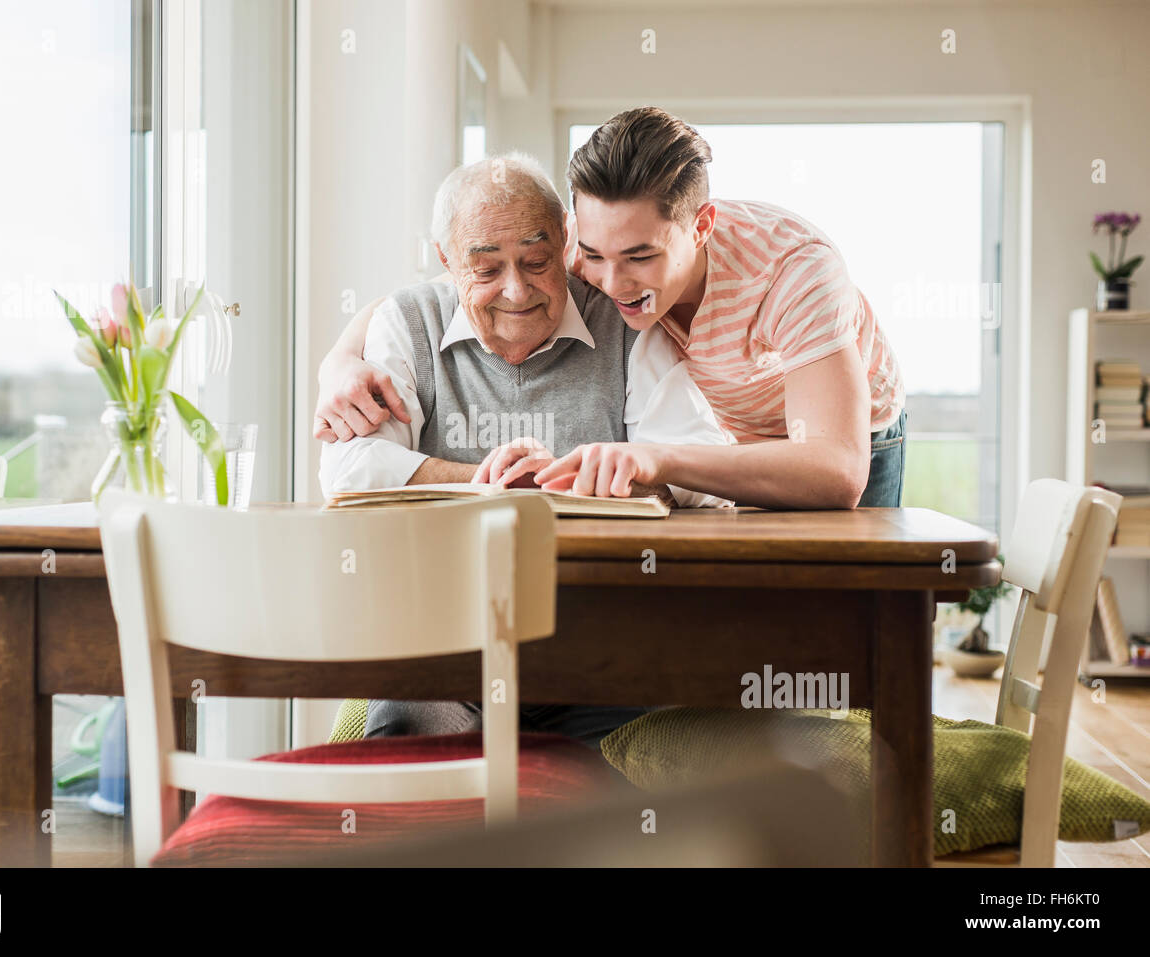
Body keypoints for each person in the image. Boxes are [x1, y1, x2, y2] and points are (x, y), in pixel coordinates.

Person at [319, 152, 733, 750]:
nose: (516, 290)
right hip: (449, 648)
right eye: (485, 269)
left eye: (537, 262)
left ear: (566, 241)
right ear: (447, 261)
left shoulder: (623, 322)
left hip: (608, 654)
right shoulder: (406, 323)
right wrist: (490, 486)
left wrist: (591, 477)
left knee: (653, 784)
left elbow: (702, 469)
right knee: (406, 766)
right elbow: (351, 469)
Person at [315, 107, 908, 509]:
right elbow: (459, 287)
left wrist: (653, 457)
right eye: (593, 255)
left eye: (640, 257)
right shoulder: (575, 252)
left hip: (843, 439)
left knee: (849, 629)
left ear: (700, 226)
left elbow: (837, 470)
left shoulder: (794, 271)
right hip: (729, 438)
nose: (613, 285)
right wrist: (341, 358)